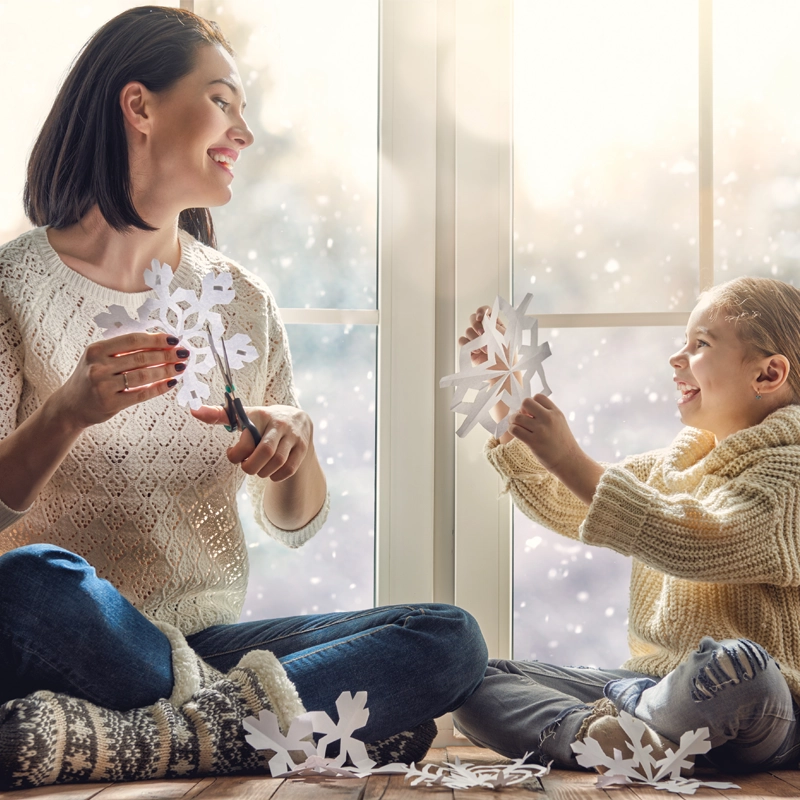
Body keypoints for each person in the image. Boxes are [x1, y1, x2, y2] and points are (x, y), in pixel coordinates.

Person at [0, 6, 487, 788]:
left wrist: (296, 450)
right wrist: (67, 412)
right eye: (222, 101)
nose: (244, 134)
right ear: (140, 107)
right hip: (67, 638)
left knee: (447, 637)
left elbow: (290, 521)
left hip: (204, 645)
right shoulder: (13, 284)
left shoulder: (237, 300)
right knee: (28, 583)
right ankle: (282, 730)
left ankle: (138, 738)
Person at [453, 277, 800, 775]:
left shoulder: (790, 471)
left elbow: (699, 538)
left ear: (768, 374)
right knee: (469, 679)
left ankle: (643, 727)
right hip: (649, 686)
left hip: (767, 705)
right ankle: (603, 736)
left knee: (738, 666)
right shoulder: (676, 464)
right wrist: (509, 404)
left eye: (700, 344)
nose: (676, 359)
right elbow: (572, 505)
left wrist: (570, 457)